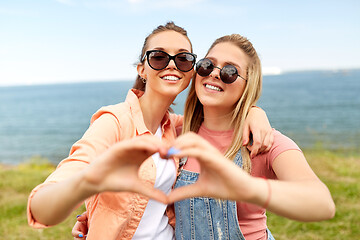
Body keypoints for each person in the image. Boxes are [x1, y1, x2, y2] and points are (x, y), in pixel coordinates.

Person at [28, 23, 273, 240]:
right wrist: (86, 185)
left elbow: (218, 118)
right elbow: (44, 207)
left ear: (191, 72)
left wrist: (253, 110)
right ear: (142, 69)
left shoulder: (176, 128)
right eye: (158, 57)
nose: (171, 64)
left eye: (184, 59)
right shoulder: (114, 122)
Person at [166, 34, 336, 240]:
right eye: (207, 65)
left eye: (230, 71)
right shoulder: (175, 131)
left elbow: (322, 204)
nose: (214, 74)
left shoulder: (262, 142)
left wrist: (247, 188)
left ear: (248, 84)